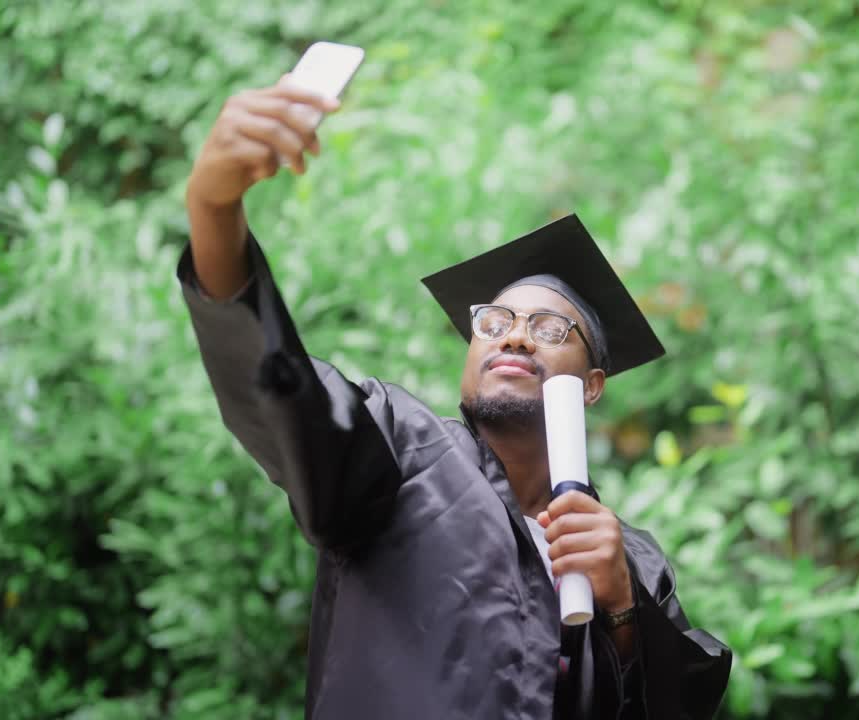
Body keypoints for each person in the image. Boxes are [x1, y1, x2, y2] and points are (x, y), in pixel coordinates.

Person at [179, 75, 731, 719]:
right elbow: (282, 389)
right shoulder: (399, 449)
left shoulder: (630, 559)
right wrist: (213, 210)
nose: (516, 338)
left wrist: (624, 612)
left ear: (591, 387)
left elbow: (674, 708)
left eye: (551, 329)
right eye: (494, 322)